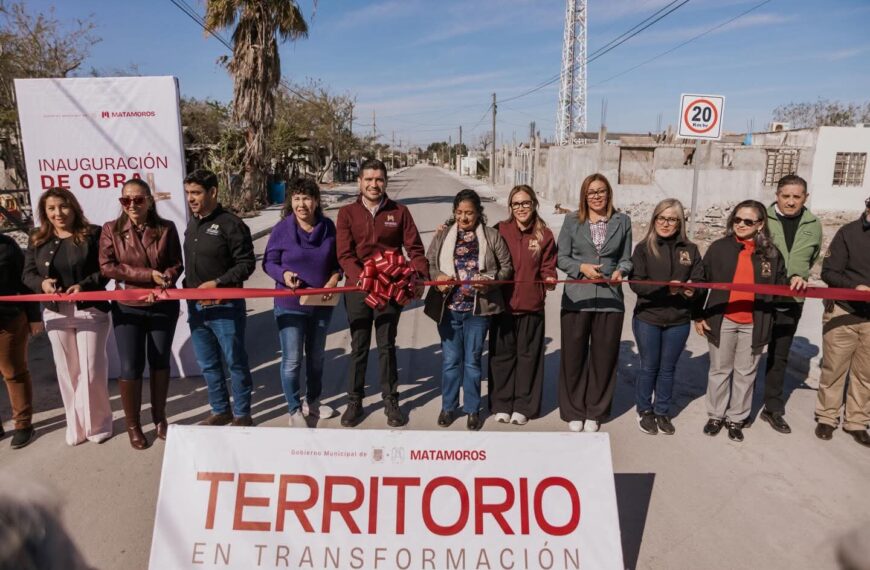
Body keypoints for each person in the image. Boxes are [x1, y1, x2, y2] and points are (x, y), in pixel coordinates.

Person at [336, 158, 429, 428]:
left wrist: (420, 276)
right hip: (358, 289)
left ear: (385, 182)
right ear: (359, 182)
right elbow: (344, 254)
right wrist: (363, 279)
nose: (373, 184)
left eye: (378, 179)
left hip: (390, 290)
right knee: (359, 346)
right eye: (368, 179)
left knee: (387, 346)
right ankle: (355, 401)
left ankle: (391, 400)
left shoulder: (400, 212)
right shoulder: (347, 213)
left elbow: (415, 249)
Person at [22, 187, 112, 446]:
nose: (58, 213)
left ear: (73, 207)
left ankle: (99, 424)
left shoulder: (93, 233)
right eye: (51, 208)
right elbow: (27, 274)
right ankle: (75, 425)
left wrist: (84, 285)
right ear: (44, 212)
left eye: (63, 207)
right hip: (56, 313)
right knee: (67, 371)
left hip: (90, 311)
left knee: (91, 370)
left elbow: (106, 270)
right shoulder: (37, 238)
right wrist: (43, 284)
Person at [99, 178, 183, 449]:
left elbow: (176, 264)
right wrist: (148, 275)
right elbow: (107, 267)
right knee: (130, 366)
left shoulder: (166, 228)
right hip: (128, 307)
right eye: (126, 200)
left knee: (159, 362)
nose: (132, 204)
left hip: (162, 305)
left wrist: (166, 279)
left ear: (149, 200)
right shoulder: (111, 229)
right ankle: (133, 425)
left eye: (138, 199)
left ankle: (160, 418)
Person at [695, 200, 787, 442]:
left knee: (746, 373)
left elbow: (781, 288)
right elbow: (702, 284)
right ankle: (716, 415)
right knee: (719, 370)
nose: (741, 225)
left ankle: (736, 418)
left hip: (754, 323)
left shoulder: (771, 254)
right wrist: (698, 314)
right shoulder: (718, 248)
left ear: (760, 224)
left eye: (748, 221)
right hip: (722, 319)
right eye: (737, 219)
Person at [424, 189, 512, 430]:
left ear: (478, 214)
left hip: (478, 311)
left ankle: (472, 409)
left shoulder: (491, 236)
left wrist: (490, 280)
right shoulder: (443, 235)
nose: (464, 218)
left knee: (472, 362)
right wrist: (438, 276)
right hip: (449, 309)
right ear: (454, 212)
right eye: (460, 212)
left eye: (469, 213)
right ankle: (448, 407)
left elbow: (506, 268)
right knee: (451, 361)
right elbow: (429, 263)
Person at [557, 173, 632, 433]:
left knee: (603, 358)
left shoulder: (623, 221)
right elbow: (561, 258)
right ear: (584, 195)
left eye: (601, 191)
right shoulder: (570, 221)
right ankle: (574, 410)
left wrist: (621, 270)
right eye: (591, 192)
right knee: (573, 357)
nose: (597, 196)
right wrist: (581, 268)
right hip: (577, 298)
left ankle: (595, 411)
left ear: (608, 193)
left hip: (610, 300)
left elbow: (626, 258)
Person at [263, 178, 341, 427]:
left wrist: (333, 279)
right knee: (292, 360)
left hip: (320, 304)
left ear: (316, 201)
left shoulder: (328, 227)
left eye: (306, 198)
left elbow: (338, 262)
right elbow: (269, 262)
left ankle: (314, 402)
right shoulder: (282, 229)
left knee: (316, 357)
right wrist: (284, 276)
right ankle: (294, 408)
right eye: (296, 198)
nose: (301, 204)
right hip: (290, 305)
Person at [182, 169, 256, 427]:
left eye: (196, 193)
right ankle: (220, 410)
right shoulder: (192, 223)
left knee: (235, 361)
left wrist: (218, 283)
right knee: (208, 363)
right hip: (197, 308)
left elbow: (246, 264)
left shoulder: (231, 224)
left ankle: (243, 414)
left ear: (213, 192)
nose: (191, 198)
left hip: (226, 307)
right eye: (188, 193)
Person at [629, 199, 704, 435]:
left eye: (671, 219)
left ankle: (662, 411)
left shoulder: (690, 249)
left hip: (678, 320)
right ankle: (644, 410)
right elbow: (637, 284)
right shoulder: (643, 248)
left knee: (668, 369)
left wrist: (694, 289)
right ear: (654, 219)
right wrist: (666, 288)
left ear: (680, 222)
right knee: (649, 367)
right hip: (648, 318)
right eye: (661, 217)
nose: (665, 223)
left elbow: (701, 280)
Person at [488, 185, 556, 426]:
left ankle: (523, 406)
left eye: (525, 203)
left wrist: (549, 279)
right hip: (502, 306)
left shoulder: (544, 234)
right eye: (516, 204)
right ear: (510, 207)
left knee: (528, 358)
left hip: (531, 306)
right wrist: (446, 229)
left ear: (534, 203)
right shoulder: (499, 230)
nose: (521, 208)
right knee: (502, 358)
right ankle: (502, 403)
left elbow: (548, 266)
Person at [760, 174, 821, 434]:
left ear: (805, 198)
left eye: (797, 197)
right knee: (748, 353)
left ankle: (772, 408)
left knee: (779, 355)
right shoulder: (762, 220)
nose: (791, 202)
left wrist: (799, 276)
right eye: (786, 196)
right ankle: (734, 409)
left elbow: (813, 256)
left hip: (792, 300)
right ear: (777, 196)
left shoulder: (813, 224)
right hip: (761, 298)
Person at [815, 195, 870, 447]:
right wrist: (853, 287)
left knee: (866, 374)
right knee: (834, 368)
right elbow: (829, 272)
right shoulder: (848, 233)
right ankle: (827, 416)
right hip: (843, 311)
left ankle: (857, 421)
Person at [0, 234, 42, 449]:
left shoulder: (7, 246)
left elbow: (25, 282)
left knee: (13, 371)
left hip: (9, 319)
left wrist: (34, 316)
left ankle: (23, 425)